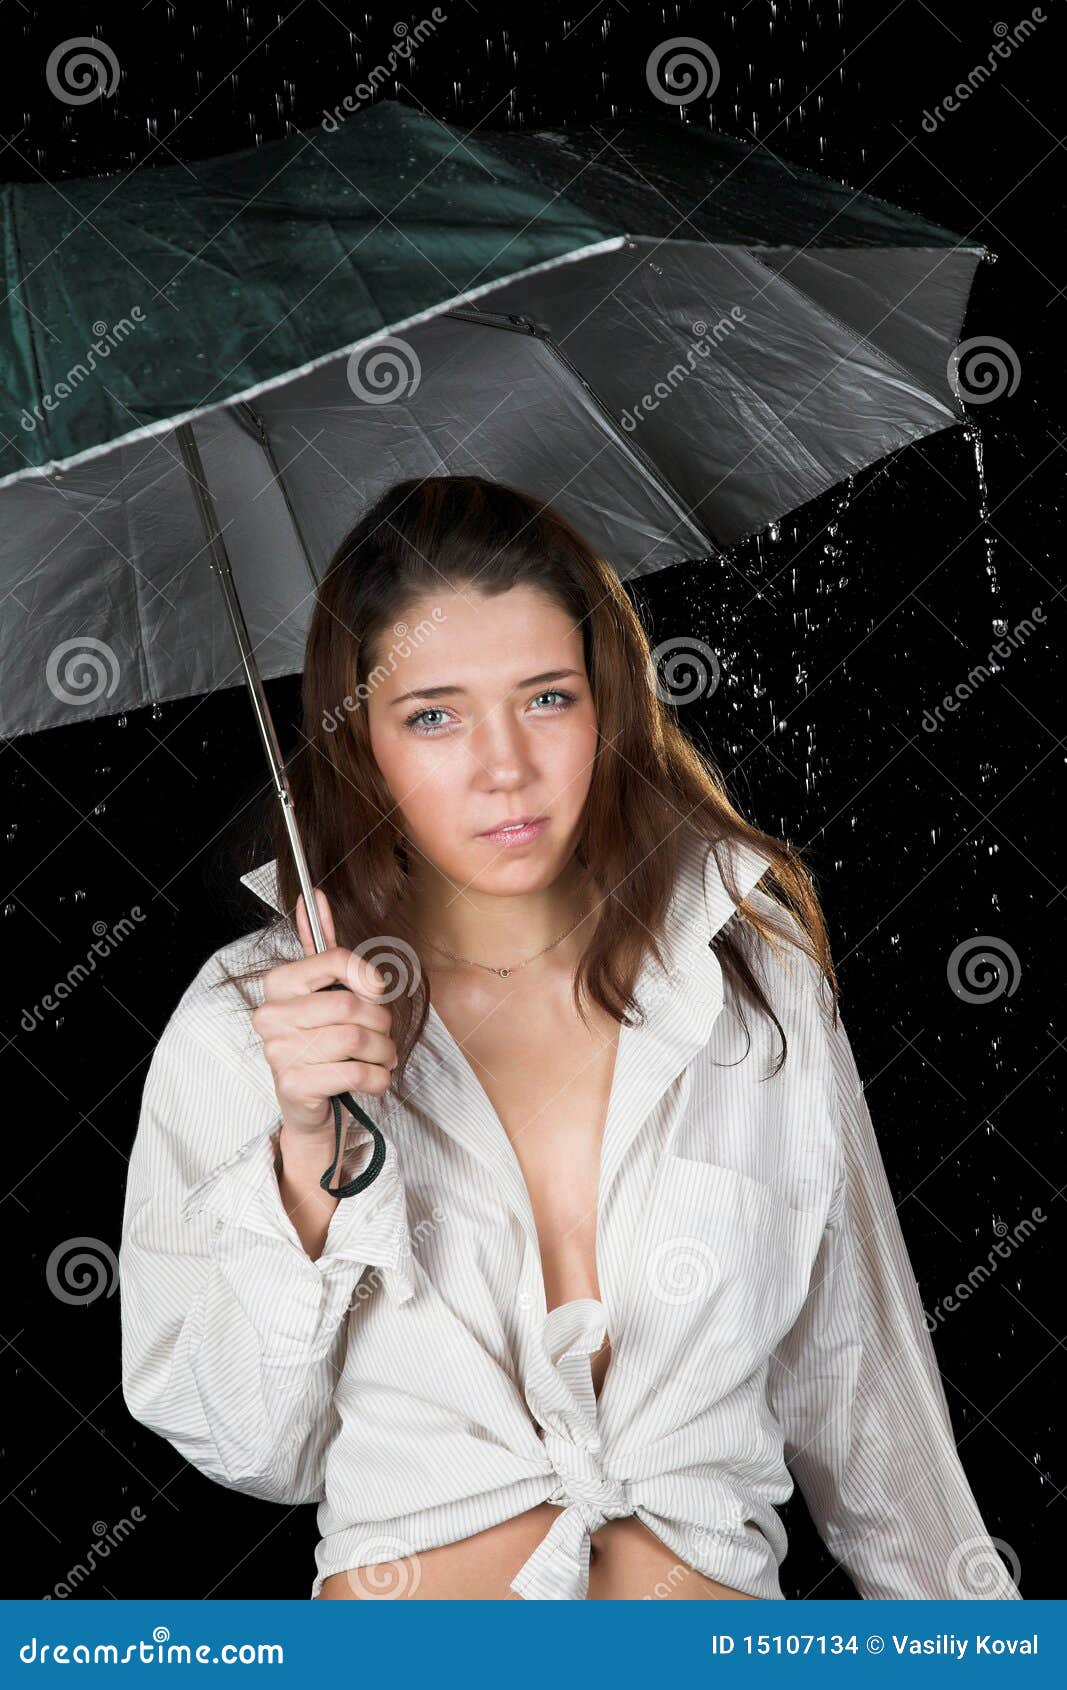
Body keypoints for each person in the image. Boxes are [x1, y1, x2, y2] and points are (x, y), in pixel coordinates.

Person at [118, 475, 1020, 1602]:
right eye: (433, 715)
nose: (504, 766)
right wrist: (306, 1157)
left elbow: (865, 1391)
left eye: (546, 698)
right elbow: (250, 1444)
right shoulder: (254, 1022)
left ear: (609, 705)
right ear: (361, 743)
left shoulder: (746, 975)